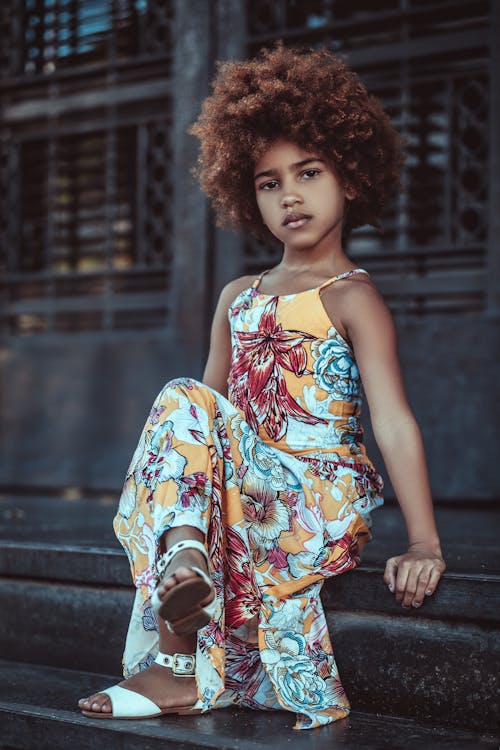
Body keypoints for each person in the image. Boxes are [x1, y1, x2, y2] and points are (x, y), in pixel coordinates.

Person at [78, 43, 446, 730]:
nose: (289, 195)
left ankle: (176, 656)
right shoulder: (238, 296)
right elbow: (202, 423)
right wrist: (195, 507)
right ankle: (186, 566)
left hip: (315, 492)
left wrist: (423, 539)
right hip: (246, 491)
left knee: (185, 404)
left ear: (351, 176)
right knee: (183, 395)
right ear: (244, 194)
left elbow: (393, 419)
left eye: (308, 172)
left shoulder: (350, 298)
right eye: (268, 182)